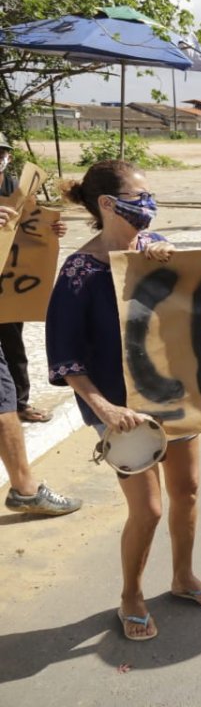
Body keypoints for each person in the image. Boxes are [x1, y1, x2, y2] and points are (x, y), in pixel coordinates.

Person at [47, 159, 201, 640]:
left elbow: (193, 316)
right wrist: (103, 409)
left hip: (172, 395)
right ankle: (131, 594)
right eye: (140, 197)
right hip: (122, 413)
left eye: (150, 197)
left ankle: (183, 577)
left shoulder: (152, 251)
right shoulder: (79, 272)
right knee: (146, 509)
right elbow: (64, 357)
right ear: (108, 204)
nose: (150, 206)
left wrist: (177, 266)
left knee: (186, 491)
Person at [0, 170, 81, 515]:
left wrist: (48, 231)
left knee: (6, 394)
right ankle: (25, 489)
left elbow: (25, 232)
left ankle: (24, 486)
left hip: (7, 303)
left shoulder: (11, 186)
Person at [0, 131, 68, 423]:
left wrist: (52, 231)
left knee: (12, 342)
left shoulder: (17, 188)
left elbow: (31, 223)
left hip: (10, 281)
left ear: (7, 157)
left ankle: (19, 402)